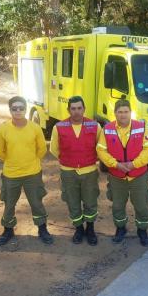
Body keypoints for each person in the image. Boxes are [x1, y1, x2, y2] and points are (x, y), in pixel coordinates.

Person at [0, 96, 52, 245]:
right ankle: (8, 229)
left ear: (26, 109)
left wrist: (31, 161)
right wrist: (13, 161)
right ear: (10, 110)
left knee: (36, 202)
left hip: (32, 173)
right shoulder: (4, 129)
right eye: (14, 108)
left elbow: (41, 149)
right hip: (11, 174)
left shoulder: (34, 128)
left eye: (21, 108)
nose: (18, 111)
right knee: (9, 203)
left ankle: (42, 228)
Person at [97, 99, 148, 246]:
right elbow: (101, 150)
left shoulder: (141, 127)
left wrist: (133, 164)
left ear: (130, 112)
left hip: (138, 176)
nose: (123, 115)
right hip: (117, 176)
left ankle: (142, 231)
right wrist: (115, 164)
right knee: (117, 206)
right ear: (115, 113)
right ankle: (120, 229)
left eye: (126, 112)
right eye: (120, 112)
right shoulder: (107, 129)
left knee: (141, 206)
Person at [50, 96, 101, 245]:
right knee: (72, 202)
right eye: (73, 108)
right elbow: (54, 150)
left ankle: (90, 229)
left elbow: (101, 147)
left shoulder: (95, 126)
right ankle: (79, 229)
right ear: (68, 110)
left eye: (79, 108)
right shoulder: (58, 127)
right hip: (68, 172)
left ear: (84, 109)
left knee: (90, 201)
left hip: (89, 171)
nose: (77, 111)